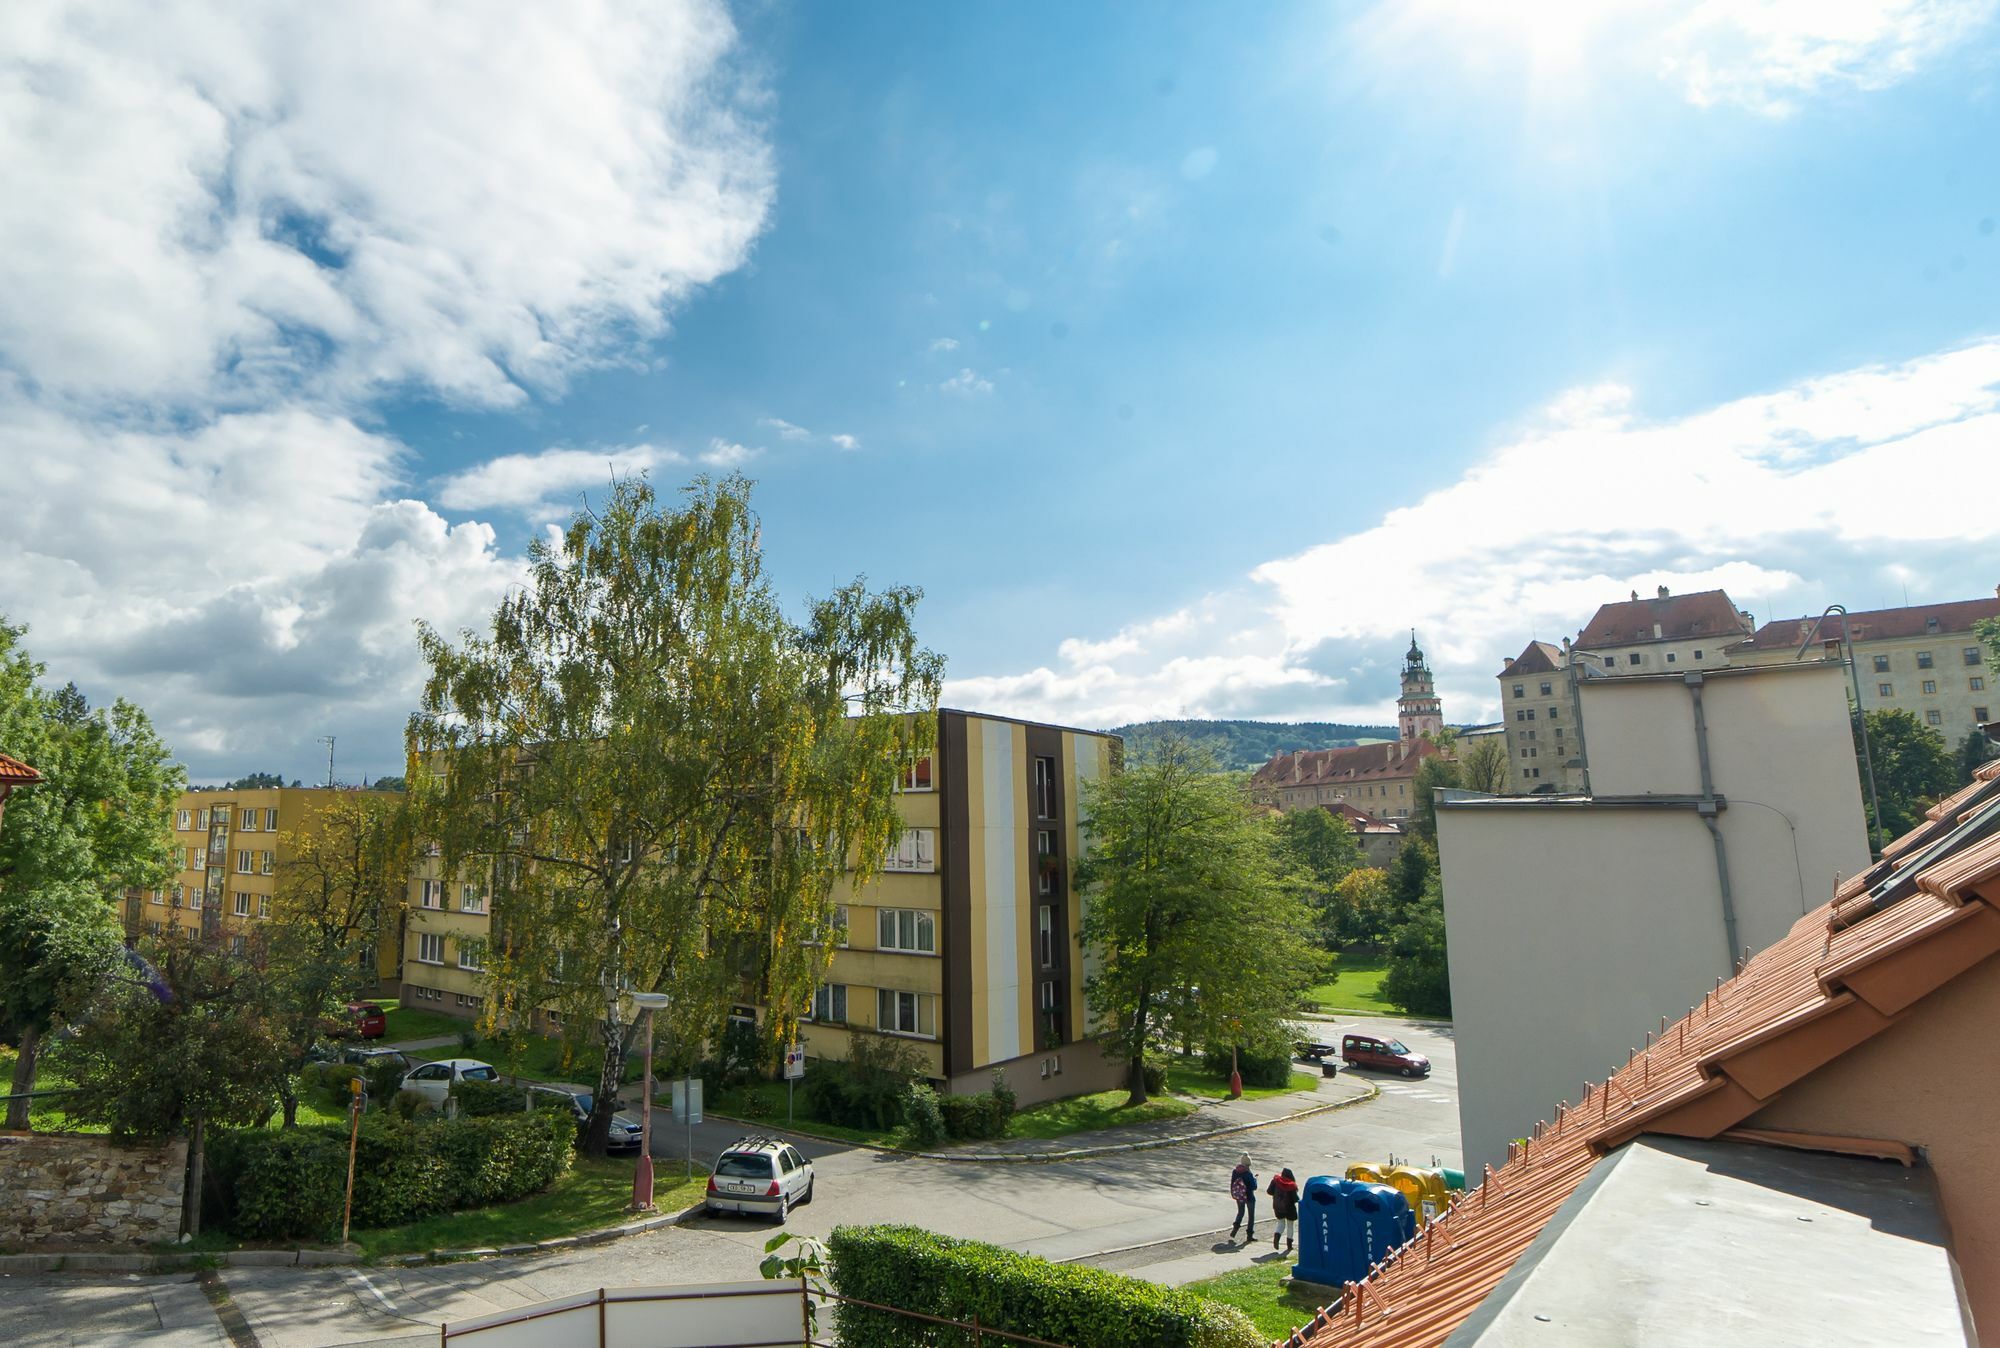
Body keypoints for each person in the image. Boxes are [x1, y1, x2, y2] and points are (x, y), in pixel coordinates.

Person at [1267, 1168, 1300, 1253]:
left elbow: (1269, 1191)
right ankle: (1289, 1245)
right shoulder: (1291, 1185)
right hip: (1289, 1209)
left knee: (1280, 1223)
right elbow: (1295, 1199)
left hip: (1277, 1207)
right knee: (1290, 1225)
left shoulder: (1275, 1181)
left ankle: (1277, 1237)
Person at [1228, 1153, 1258, 1243]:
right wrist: (1255, 1179)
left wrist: (1234, 1194)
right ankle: (1249, 1235)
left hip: (1239, 1196)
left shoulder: (1235, 1171)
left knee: (1240, 1212)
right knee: (1251, 1216)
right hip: (1249, 1196)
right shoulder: (1248, 1173)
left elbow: (1232, 1183)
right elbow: (1254, 1187)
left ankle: (1236, 1226)